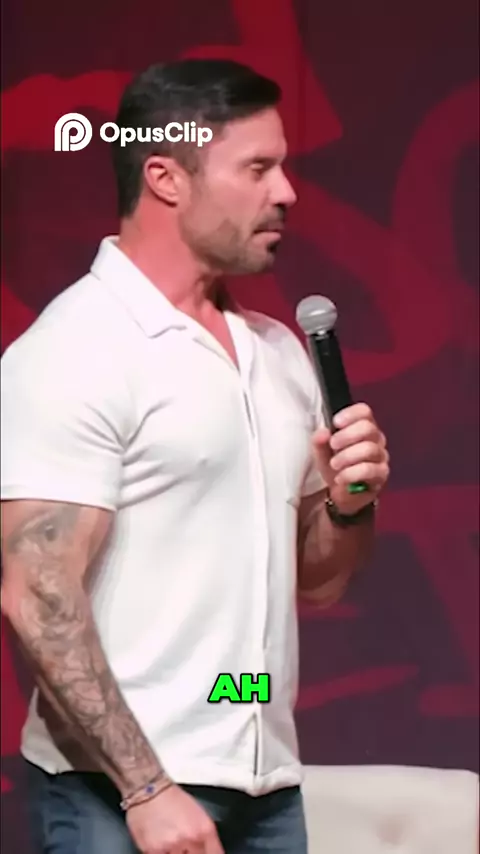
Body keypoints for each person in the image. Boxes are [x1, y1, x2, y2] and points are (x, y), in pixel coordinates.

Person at [0, 59, 390, 854]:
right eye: (258, 168)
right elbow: (37, 594)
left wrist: (349, 504)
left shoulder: (277, 352)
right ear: (166, 178)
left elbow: (319, 582)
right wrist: (146, 789)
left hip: (266, 788)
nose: (287, 192)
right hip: (118, 796)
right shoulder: (78, 348)